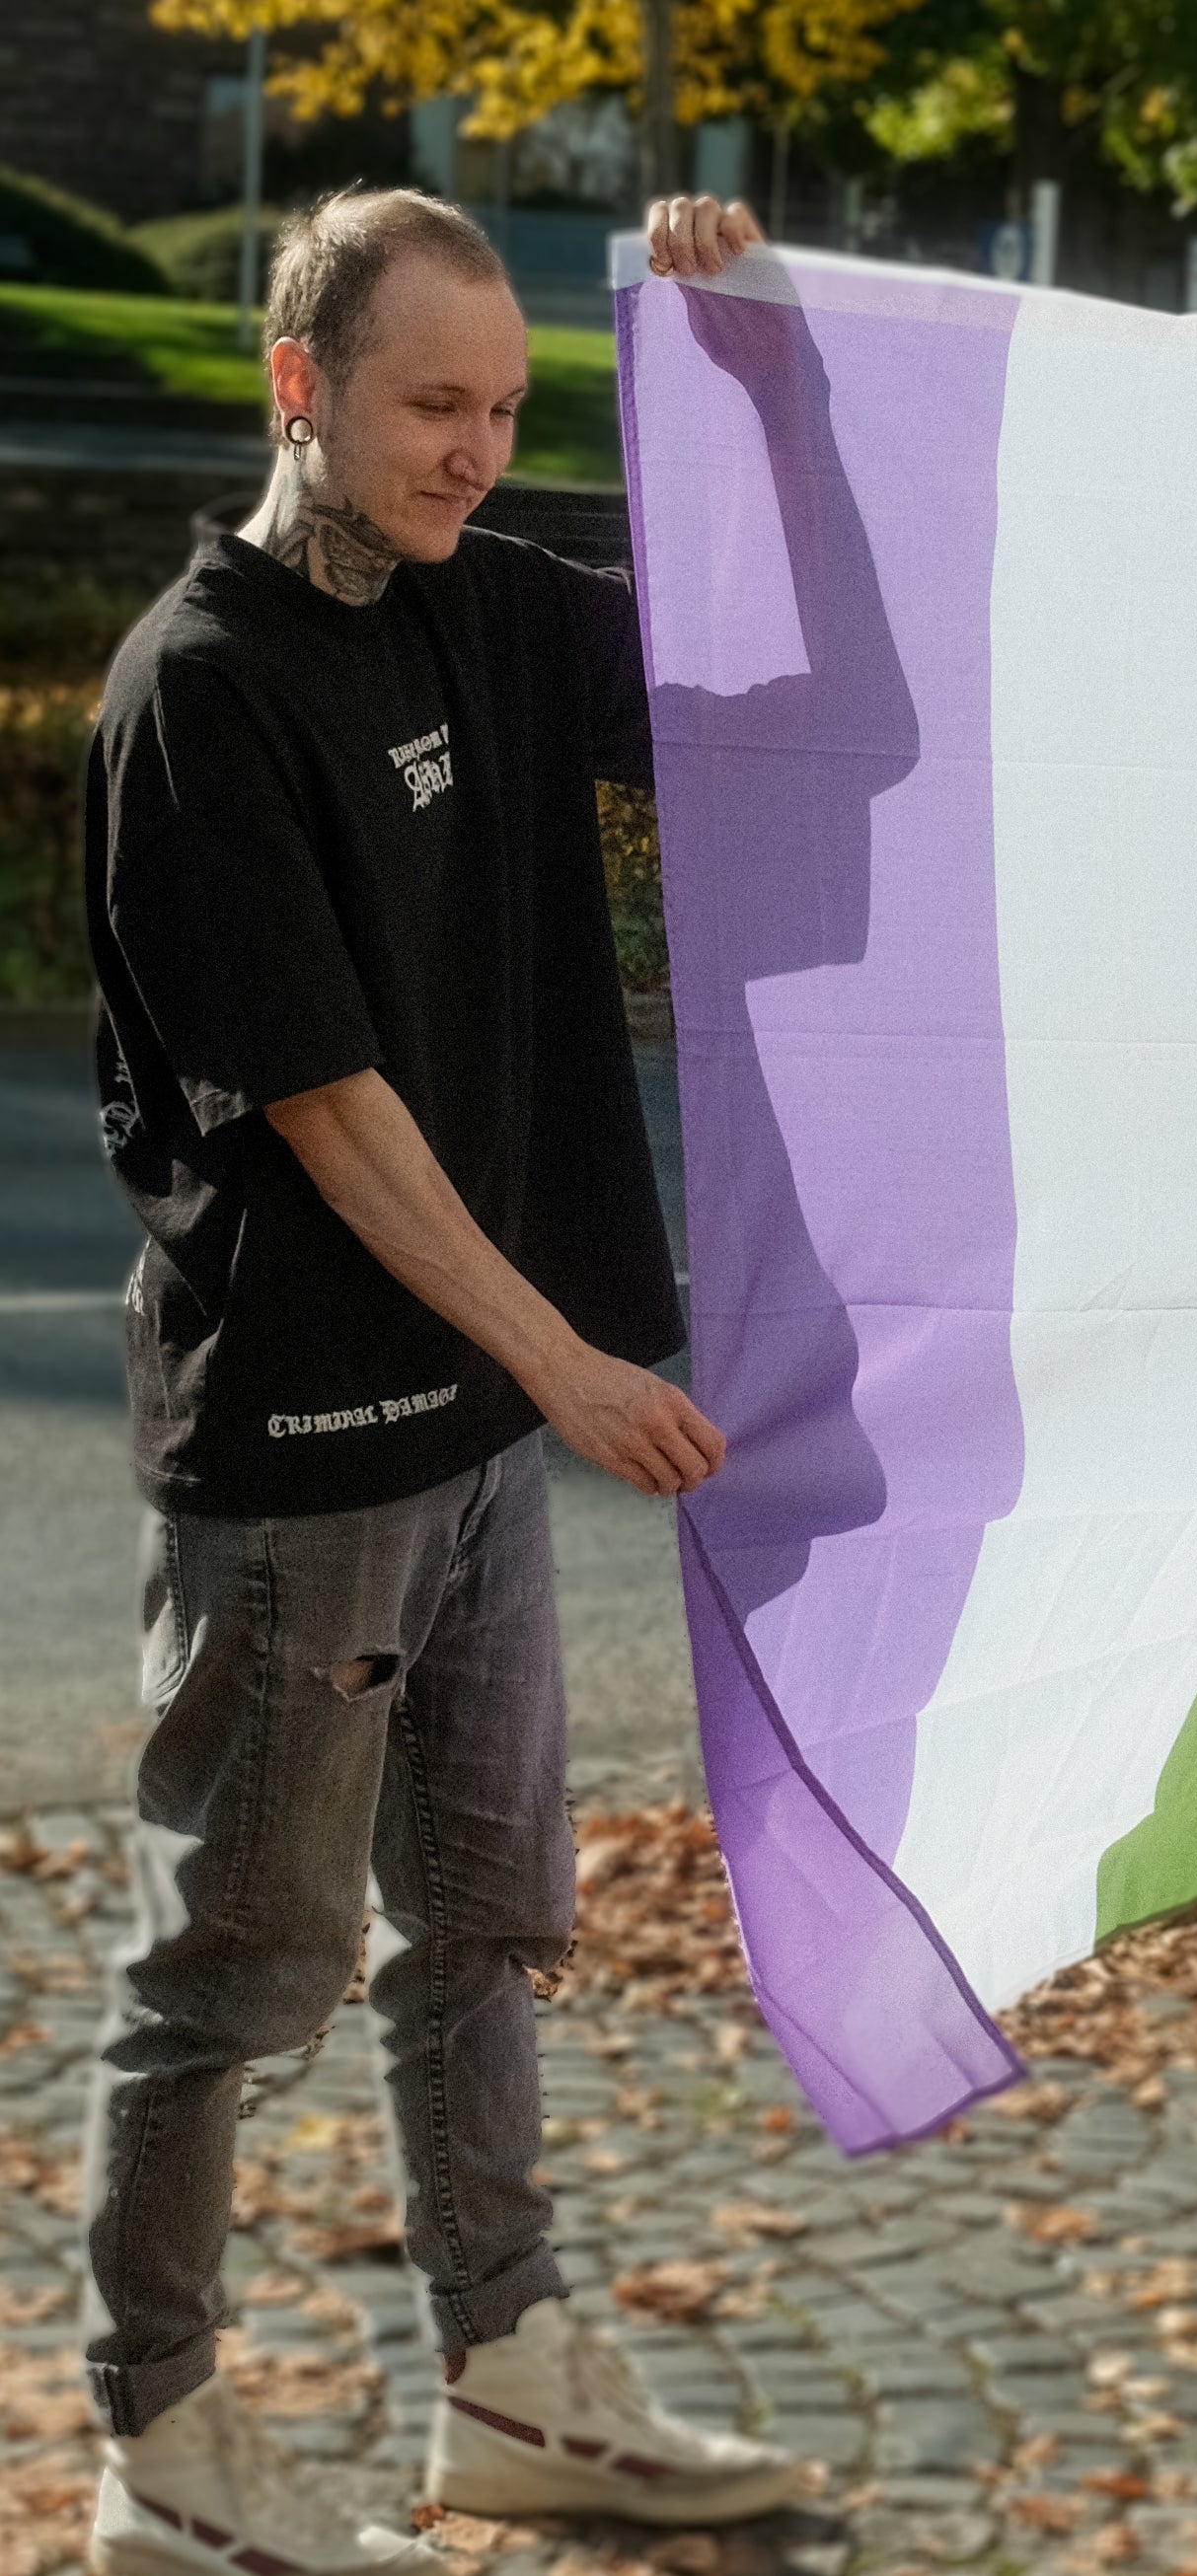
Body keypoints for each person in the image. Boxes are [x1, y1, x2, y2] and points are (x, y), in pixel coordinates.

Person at [80, 187, 823, 2576]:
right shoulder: (200, 687)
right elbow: (329, 1109)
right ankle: (160, 2450)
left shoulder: (492, 614)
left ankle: (506, 2380)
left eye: (508, 410)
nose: (477, 454)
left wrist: (763, 377)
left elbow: (796, 691)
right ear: (300, 381)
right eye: (432, 405)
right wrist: (577, 1364)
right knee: (239, 1965)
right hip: (310, 1445)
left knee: (481, 1926)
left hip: (487, 1427)